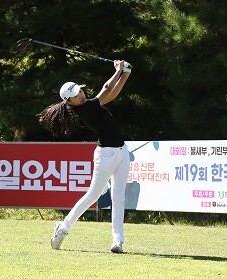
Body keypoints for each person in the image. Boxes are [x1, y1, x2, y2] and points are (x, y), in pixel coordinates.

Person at [39, 60, 132, 253]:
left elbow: (112, 94)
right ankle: (63, 228)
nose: (80, 95)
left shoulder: (89, 104)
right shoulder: (85, 108)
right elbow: (107, 88)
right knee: (92, 195)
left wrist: (126, 73)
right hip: (106, 155)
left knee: (119, 198)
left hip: (122, 152)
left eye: (80, 91)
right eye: (75, 95)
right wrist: (118, 71)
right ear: (69, 102)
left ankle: (118, 241)